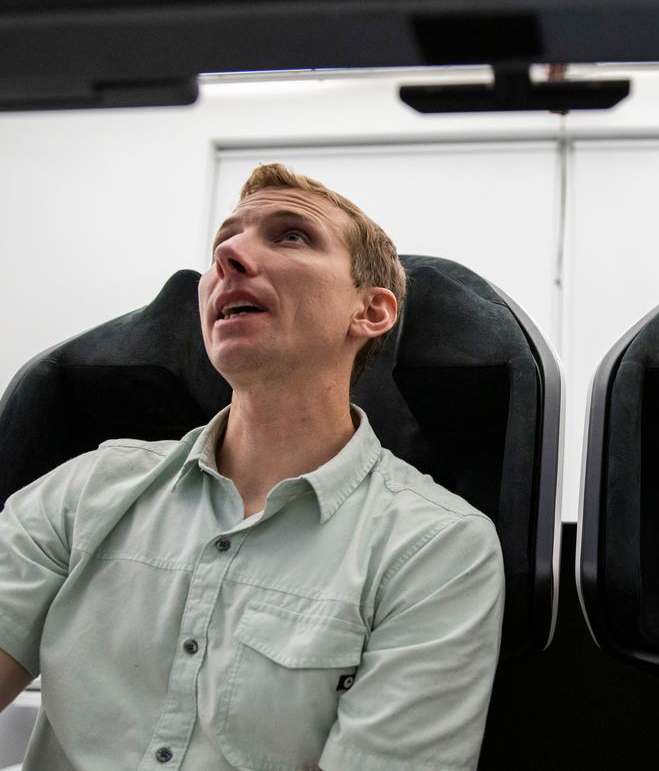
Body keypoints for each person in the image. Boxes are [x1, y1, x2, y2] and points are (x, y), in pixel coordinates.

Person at [0, 164, 505, 770]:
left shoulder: (437, 546)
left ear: (371, 311)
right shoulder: (83, 492)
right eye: (223, 244)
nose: (230, 257)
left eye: (291, 235)